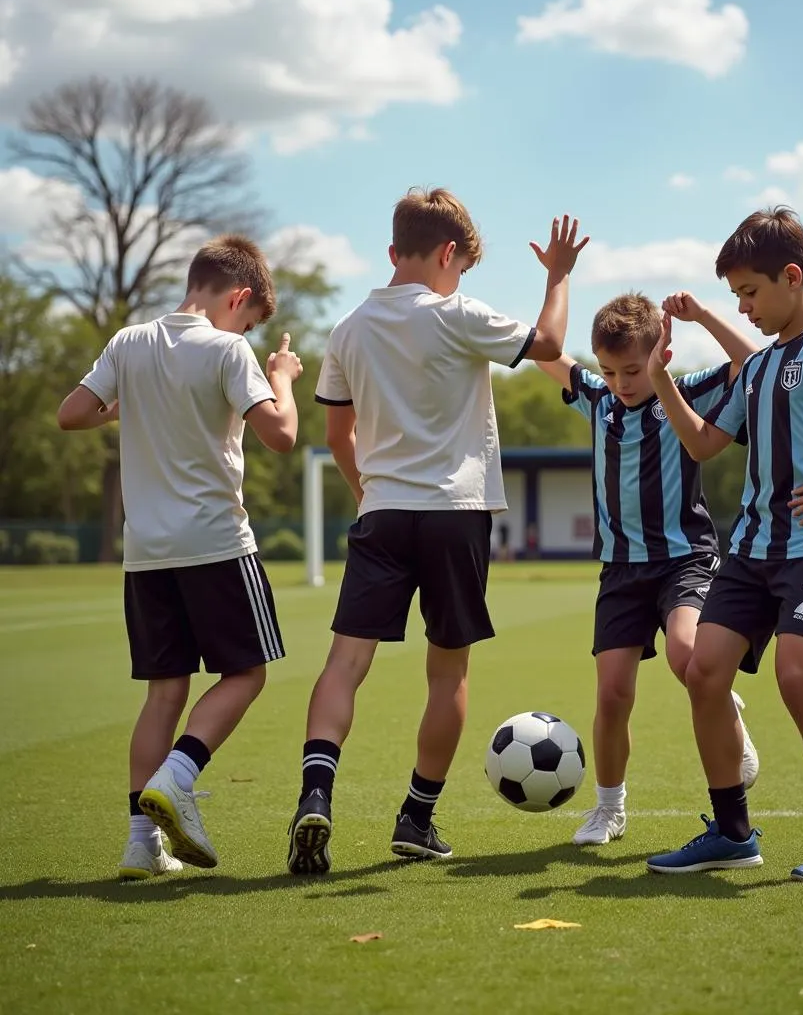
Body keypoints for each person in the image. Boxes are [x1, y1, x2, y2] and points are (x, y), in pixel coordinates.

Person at [286, 188, 589, 873]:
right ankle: (416, 817)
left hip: (384, 511)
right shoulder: (456, 313)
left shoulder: (348, 328)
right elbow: (547, 345)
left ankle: (316, 792)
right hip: (456, 513)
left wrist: (369, 490)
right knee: (446, 670)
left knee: (345, 664)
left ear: (397, 248)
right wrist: (559, 275)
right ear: (449, 254)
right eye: (462, 267)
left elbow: (339, 433)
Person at [645, 207, 803, 880]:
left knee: (796, 677)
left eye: (751, 293)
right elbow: (705, 441)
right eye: (736, 298)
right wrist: (661, 380)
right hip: (752, 550)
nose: (746, 307)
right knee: (704, 672)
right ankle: (732, 832)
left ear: (793, 277)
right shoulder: (757, 369)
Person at [57, 235, 303, 879]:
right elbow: (281, 435)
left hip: (146, 553)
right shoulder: (229, 349)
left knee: (164, 691)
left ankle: (142, 843)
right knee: (247, 675)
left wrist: (130, 409)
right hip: (216, 544)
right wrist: (280, 379)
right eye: (248, 319)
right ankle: (179, 774)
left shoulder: (128, 342)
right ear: (238, 298)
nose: (244, 328)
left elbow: (72, 413)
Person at [534, 290, 760, 846]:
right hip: (620, 571)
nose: (620, 382)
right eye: (609, 371)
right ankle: (609, 809)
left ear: (660, 351)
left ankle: (728, 717)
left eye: (632, 369)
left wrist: (704, 316)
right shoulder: (597, 400)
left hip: (684, 559)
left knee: (688, 655)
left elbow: (751, 364)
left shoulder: (685, 393)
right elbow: (544, 353)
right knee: (612, 694)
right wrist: (559, 277)